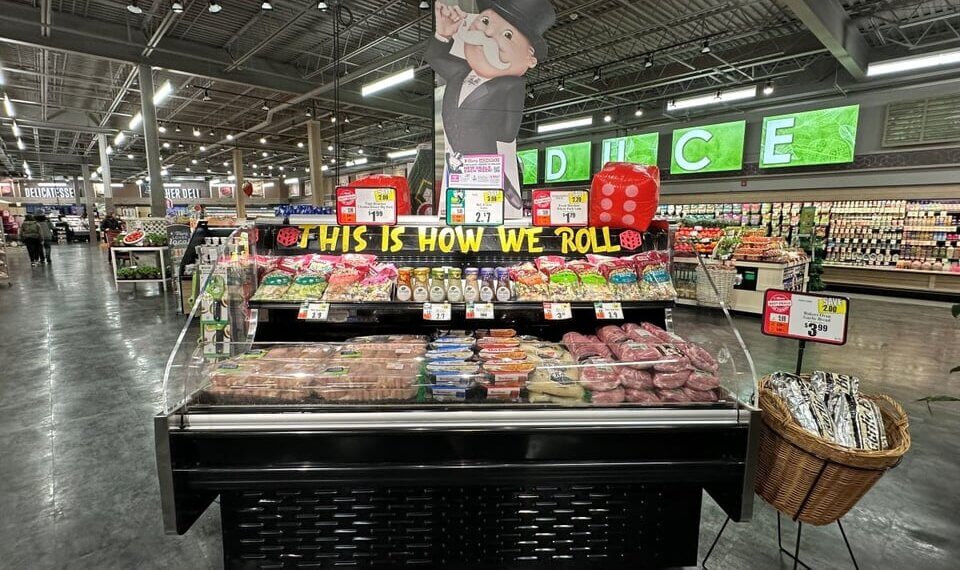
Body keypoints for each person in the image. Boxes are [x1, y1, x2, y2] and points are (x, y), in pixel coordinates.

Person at [425, 0, 556, 214]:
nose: (489, 36)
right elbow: (434, 56)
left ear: (529, 59)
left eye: (507, 35)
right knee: (459, 206)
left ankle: (508, 196)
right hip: (457, 165)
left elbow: (507, 132)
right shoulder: (459, 73)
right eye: (485, 21)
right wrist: (444, 34)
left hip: (485, 165)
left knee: (493, 198)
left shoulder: (511, 86)